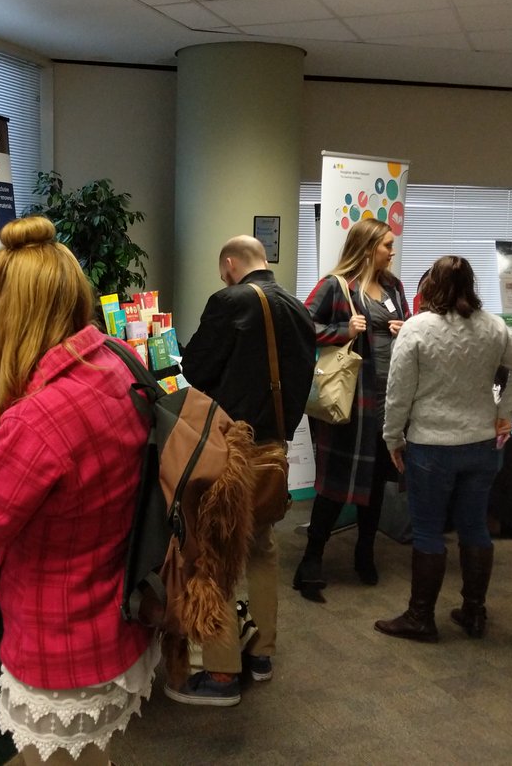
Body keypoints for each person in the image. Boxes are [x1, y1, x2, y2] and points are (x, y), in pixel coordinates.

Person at [0, 216, 156, 765]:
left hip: (60, 638)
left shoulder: (40, 418)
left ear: (17, 315)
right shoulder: (115, 361)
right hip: (114, 614)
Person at [175, 235, 315, 705]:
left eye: (223, 270)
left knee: (214, 552)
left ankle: (219, 673)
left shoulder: (229, 301)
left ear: (230, 264)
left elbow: (194, 366)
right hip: (273, 451)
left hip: (229, 450)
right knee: (261, 549)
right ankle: (262, 653)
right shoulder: (298, 308)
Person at [373, 256, 512, 641]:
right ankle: (474, 612)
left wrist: (392, 437)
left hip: (431, 447)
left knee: (429, 531)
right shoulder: (493, 327)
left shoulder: (416, 329)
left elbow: (398, 394)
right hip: (482, 445)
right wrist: (504, 413)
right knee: (474, 527)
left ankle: (420, 617)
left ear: (430, 285)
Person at [295, 218, 409, 599]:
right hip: (351, 400)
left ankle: (365, 552)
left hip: (387, 400)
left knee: (376, 480)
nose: (393, 252)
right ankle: (312, 557)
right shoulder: (337, 285)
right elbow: (302, 325)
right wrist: (343, 332)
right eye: (387, 245)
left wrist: (402, 329)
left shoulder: (394, 286)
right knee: (335, 481)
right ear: (368, 247)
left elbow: (408, 329)